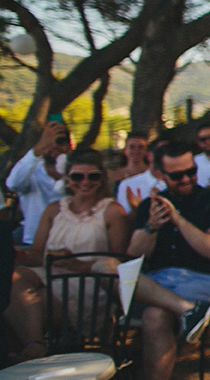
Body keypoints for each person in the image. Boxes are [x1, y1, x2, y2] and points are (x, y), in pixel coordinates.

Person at [122, 142, 210, 380]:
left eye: (191, 172)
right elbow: (131, 260)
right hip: (157, 283)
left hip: (199, 281)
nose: (186, 180)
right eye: (177, 175)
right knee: (112, 271)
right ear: (159, 173)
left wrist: (179, 220)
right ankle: (190, 312)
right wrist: (152, 225)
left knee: (155, 317)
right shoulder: (149, 206)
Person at [7, 149, 128, 360]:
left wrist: (78, 263)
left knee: (18, 304)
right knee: (9, 281)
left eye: (93, 176)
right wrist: (14, 254)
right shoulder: (54, 209)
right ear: (67, 178)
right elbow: (36, 256)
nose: (85, 182)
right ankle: (33, 348)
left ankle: (31, 350)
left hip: (87, 283)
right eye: (77, 176)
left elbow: (118, 261)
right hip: (49, 275)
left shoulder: (112, 211)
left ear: (102, 178)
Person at [5, 119, 69, 248]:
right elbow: (13, 184)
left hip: (71, 243)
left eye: (61, 141)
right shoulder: (31, 171)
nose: (55, 146)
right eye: (49, 141)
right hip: (34, 243)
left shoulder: (80, 173)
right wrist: (39, 148)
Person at [115, 134, 166, 216]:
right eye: (132, 147)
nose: (136, 151)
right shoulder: (127, 185)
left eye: (141, 147)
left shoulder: (181, 181)